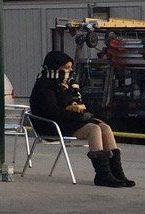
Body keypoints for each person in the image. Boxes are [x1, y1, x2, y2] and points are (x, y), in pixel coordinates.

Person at [29, 50, 134, 188]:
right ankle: (102, 174)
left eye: (70, 67)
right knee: (93, 129)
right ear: (55, 68)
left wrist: (83, 113)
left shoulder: (68, 84)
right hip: (51, 124)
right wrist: (81, 117)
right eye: (66, 68)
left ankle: (117, 172)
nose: (70, 71)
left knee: (105, 127)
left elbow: (74, 105)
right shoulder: (44, 85)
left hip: (68, 121)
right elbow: (53, 111)